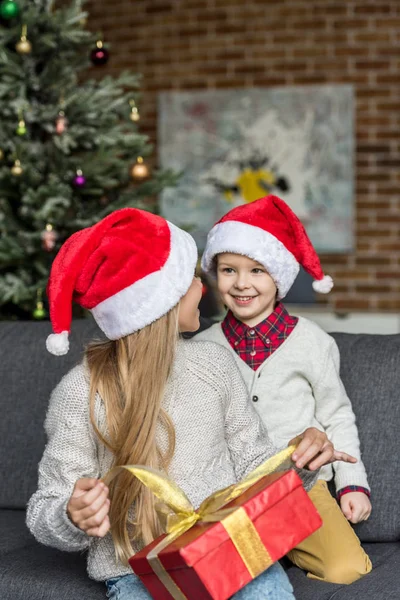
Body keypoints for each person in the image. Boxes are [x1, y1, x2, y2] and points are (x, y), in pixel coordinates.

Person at [27, 208, 355, 600]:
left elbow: (254, 467)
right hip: (138, 574)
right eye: (192, 281)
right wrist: (71, 515)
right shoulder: (80, 392)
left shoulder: (213, 365)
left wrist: (298, 461)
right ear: (162, 304)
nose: (206, 287)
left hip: (231, 554)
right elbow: (44, 507)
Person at [196, 194, 372, 584]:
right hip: (233, 493)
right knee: (217, 577)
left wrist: (352, 483)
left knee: (347, 570)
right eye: (228, 270)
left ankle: (286, 549)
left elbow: (337, 414)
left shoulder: (313, 342)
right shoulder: (202, 349)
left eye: (257, 270)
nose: (242, 283)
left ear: (279, 276)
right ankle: (274, 557)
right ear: (214, 274)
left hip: (303, 487)